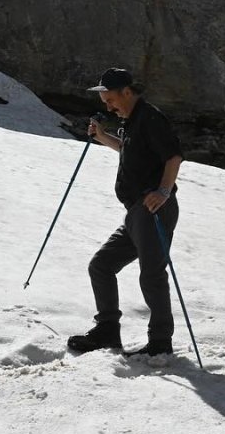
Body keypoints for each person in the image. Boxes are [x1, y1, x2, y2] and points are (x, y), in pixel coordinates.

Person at [67, 68, 184, 357]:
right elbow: (127, 150)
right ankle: (108, 331)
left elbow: (174, 155)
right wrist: (102, 136)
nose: (108, 106)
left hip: (153, 207)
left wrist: (164, 192)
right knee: (101, 265)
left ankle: (160, 344)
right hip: (136, 212)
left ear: (127, 92)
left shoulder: (150, 117)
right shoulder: (131, 122)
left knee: (151, 274)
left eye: (110, 99)